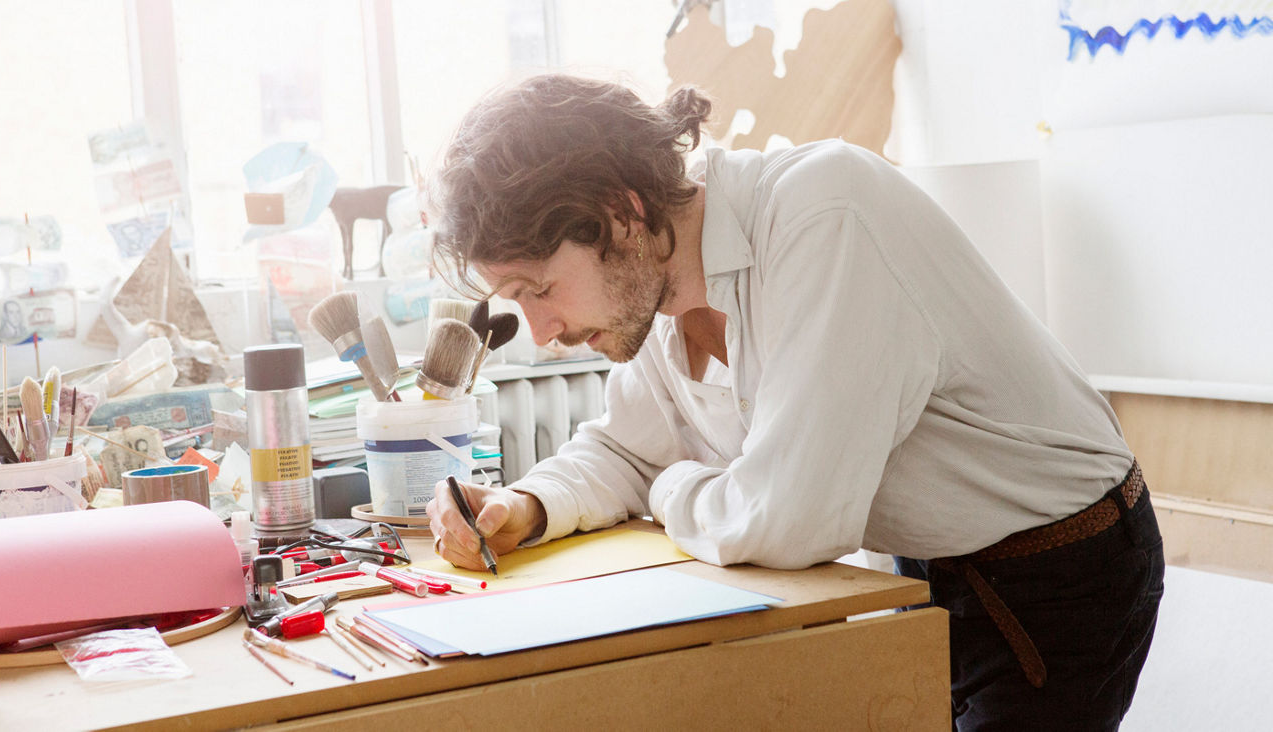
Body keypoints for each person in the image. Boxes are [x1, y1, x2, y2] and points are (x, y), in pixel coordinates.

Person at [425, 74, 1164, 730]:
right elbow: (624, 447)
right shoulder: (652, 289)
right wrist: (525, 506)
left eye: (539, 290)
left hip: (1059, 565)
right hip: (931, 561)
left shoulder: (824, 214)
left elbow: (790, 520)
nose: (545, 332)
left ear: (621, 212)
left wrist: (671, 486)